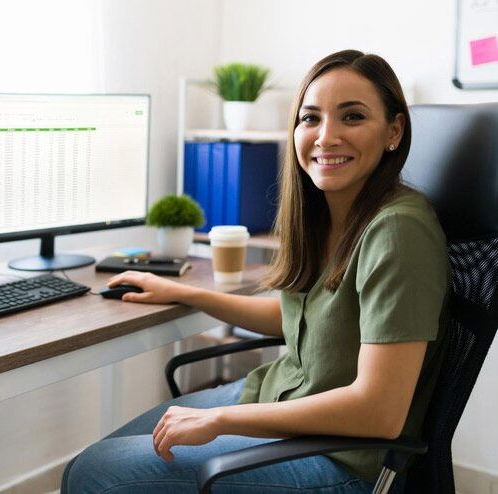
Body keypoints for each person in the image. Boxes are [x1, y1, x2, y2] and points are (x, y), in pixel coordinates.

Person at [61, 49, 450, 493]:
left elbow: (379, 410)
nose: (326, 136)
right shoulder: (333, 217)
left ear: (393, 131)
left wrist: (220, 421)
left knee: (97, 473)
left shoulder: (397, 230)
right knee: (97, 458)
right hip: (282, 402)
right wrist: (185, 292)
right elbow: (297, 319)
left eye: (352, 117)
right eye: (310, 118)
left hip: (338, 461)